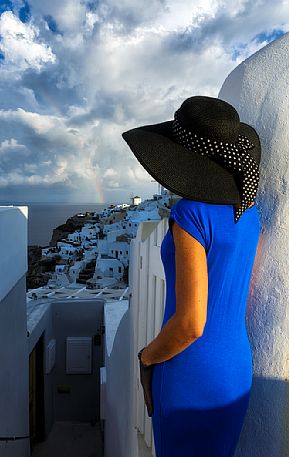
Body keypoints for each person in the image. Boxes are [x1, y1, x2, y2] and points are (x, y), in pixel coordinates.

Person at [121, 95, 261, 456]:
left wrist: (147, 358)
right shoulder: (249, 211)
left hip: (190, 371)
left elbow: (191, 324)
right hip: (234, 368)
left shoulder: (190, 214)